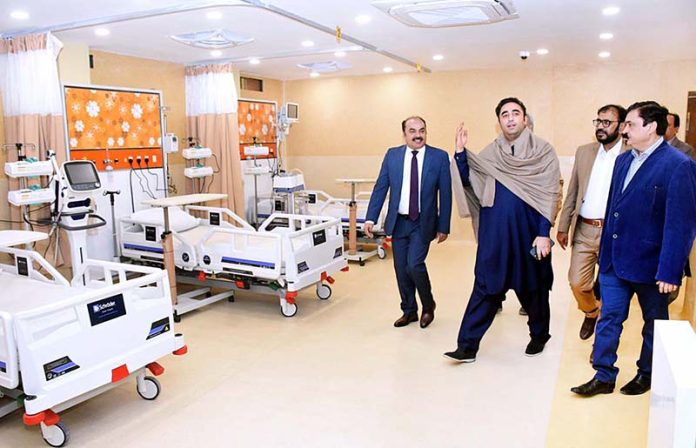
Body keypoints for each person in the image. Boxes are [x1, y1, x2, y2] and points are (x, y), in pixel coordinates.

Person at [571, 101, 696, 397]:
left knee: (653, 323)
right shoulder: (623, 161)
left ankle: (647, 373)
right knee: (609, 318)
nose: (624, 130)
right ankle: (603, 375)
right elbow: (614, 208)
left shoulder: (678, 165)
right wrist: (604, 258)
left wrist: (670, 270)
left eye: (630, 124)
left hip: (652, 266)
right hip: (615, 261)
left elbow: (680, 224)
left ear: (651, 127)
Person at [444, 98, 561, 363]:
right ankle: (467, 346)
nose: (510, 118)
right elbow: (468, 182)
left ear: (525, 119)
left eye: (515, 113)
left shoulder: (543, 152)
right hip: (495, 234)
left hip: (529, 232)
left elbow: (550, 193)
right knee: (485, 286)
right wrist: (461, 154)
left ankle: (539, 335)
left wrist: (544, 232)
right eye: (504, 114)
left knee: (533, 289)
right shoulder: (490, 154)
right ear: (499, 122)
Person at [364, 116, 452, 329]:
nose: (417, 135)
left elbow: (446, 194)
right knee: (401, 269)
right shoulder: (393, 155)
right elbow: (381, 187)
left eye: (421, 130)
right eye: (412, 131)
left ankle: (428, 306)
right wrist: (370, 217)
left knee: (414, 265)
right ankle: (409, 310)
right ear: (404, 134)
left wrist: (444, 225)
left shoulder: (439, 157)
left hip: (423, 222)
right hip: (399, 221)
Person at [557, 104, 627, 341]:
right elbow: (573, 190)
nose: (600, 127)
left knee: (611, 288)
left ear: (622, 125)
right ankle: (590, 312)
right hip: (584, 229)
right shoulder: (584, 152)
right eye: (598, 121)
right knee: (577, 282)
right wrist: (563, 225)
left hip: (614, 233)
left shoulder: (630, 153)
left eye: (607, 122)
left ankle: (603, 342)